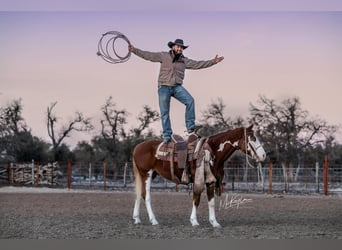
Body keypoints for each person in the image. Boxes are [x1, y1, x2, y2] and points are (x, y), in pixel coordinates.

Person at [128, 38, 224, 144]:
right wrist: (134, 50)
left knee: (190, 101)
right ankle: (167, 136)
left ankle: (190, 128)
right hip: (164, 87)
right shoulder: (163, 56)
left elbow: (198, 64)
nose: (180, 49)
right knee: (165, 112)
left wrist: (213, 62)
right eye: (178, 47)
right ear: (173, 47)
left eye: (181, 47)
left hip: (177, 87)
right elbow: (148, 56)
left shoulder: (184, 61)